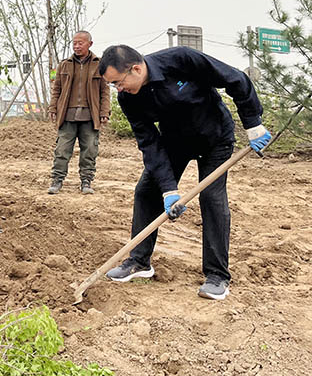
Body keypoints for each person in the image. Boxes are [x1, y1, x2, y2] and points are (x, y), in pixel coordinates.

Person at [99, 45, 271, 300]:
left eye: (118, 82)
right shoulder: (129, 98)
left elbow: (236, 79)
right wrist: (169, 189)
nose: (118, 90)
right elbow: (149, 143)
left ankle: (217, 275)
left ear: (135, 69)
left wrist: (253, 123)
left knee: (211, 198)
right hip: (174, 143)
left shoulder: (180, 60)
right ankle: (139, 261)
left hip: (215, 138)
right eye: (113, 86)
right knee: (147, 192)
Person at [47, 31, 110, 194]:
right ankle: (57, 180)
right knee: (62, 149)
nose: (77, 46)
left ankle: (86, 181)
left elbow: (105, 91)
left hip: (90, 116)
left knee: (89, 149)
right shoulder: (64, 65)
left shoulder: (99, 64)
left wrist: (104, 111)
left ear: (90, 44)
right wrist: (53, 108)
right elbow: (56, 89)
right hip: (67, 115)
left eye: (80, 43)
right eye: (74, 43)